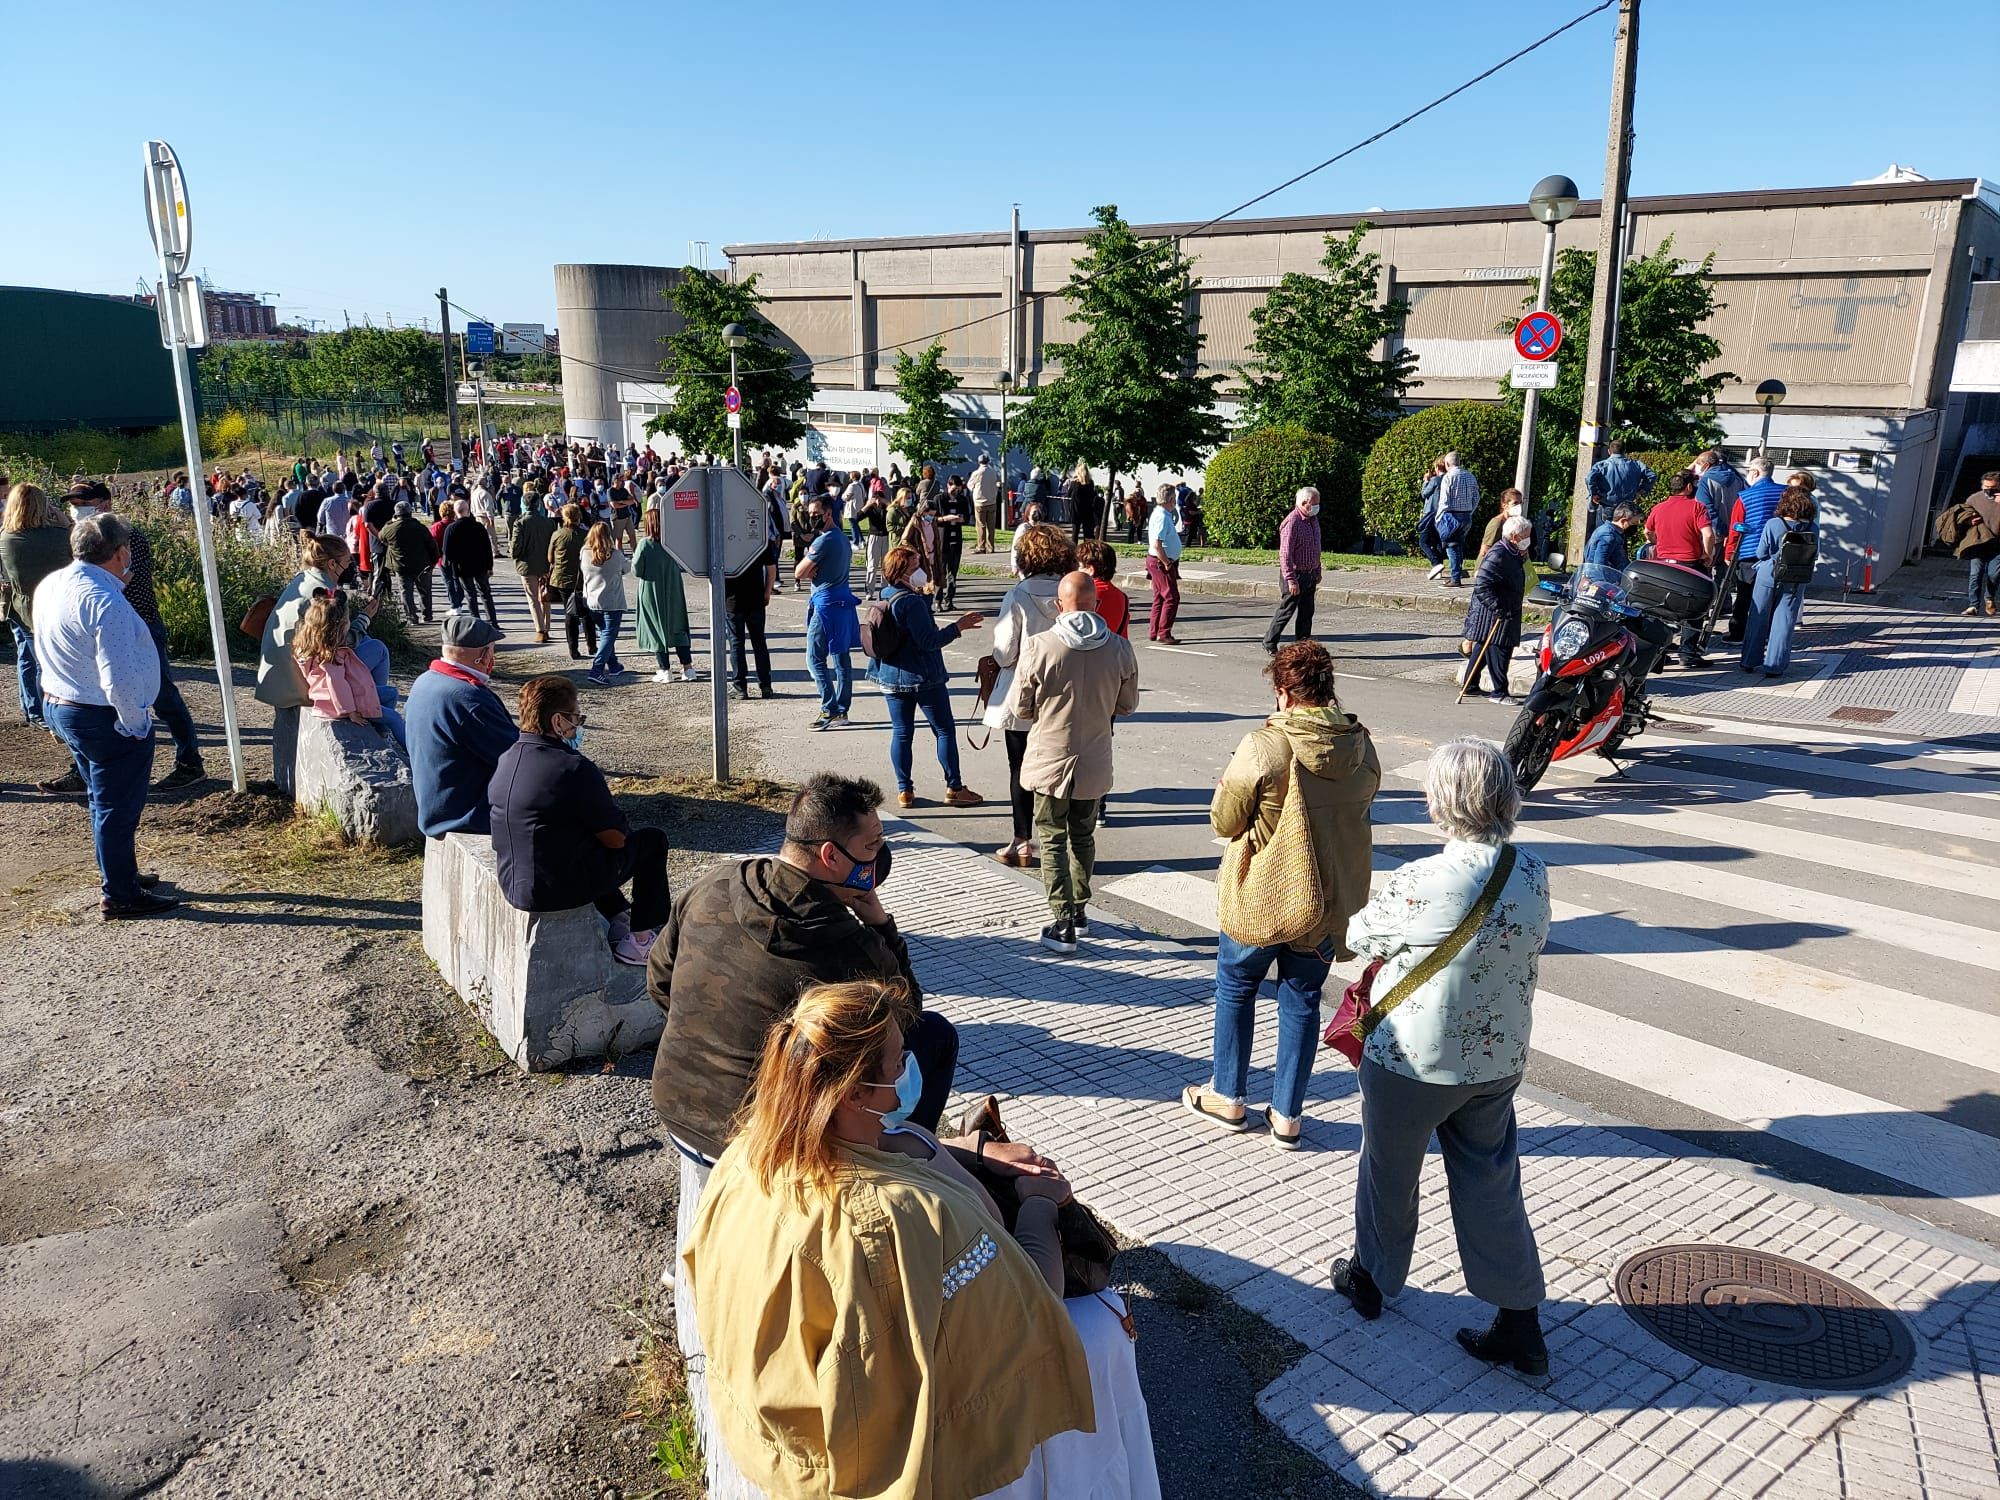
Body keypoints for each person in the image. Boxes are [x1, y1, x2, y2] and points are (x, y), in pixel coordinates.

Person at [680, 976, 1157, 1500]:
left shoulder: (749, 1153)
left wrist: (968, 1149)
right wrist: (1042, 1204)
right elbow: (1032, 1299)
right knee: (1102, 1328)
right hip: (866, 1463)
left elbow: (889, 1142)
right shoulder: (899, 1219)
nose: (910, 1066)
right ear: (854, 1092)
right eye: (897, 1058)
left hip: (773, 1438)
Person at [1330, 738, 1554, 1377]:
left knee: (1389, 1172)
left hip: (1413, 1060)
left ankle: (1373, 1279)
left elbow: (1359, 935)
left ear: (1441, 801)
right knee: (1491, 1181)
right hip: (1497, 1057)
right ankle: (1521, 1322)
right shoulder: (1531, 870)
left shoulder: (1420, 879)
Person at [646, 772, 961, 1160]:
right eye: (873, 845)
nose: (879, 857)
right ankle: (896, 1162)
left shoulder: (716, 881)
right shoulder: (850, 946)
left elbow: (659, 981)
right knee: (935, 1037)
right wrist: (881, 925)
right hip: (764, 1141)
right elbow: (906, 1014)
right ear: (831, 856)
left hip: (676, 1108)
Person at [1184, 642, 1380, 1147]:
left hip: (1264, 897)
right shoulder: (1361, 745)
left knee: (1237, 985)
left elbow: (1225, 821)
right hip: (1327, 900)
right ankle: (1288, 1116)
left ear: (1282, 691)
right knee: (1303, 998)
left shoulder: (1265, 746)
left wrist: (1229, 783)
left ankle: (1228, 1095)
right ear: (1328, 688)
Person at [31, 514, 176, 919]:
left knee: (102, 800)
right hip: (100, 712)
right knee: (117, 807)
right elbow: (120, 676)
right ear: (121, 552)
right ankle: (120, 893)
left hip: (64, 702)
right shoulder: (104, 600)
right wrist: (136, 725)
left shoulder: (53, 583)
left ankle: (120, 874)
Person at [489, 675, 670, 967]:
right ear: (558, 722)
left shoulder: (508, 757)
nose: (578, 725)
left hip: (513, 880)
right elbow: (616, 838)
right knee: (650, 842)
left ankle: (617, 914)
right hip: (555, 889)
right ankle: (640, 940)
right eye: (576, 717)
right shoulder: (572, 767)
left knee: (581, 846)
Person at [1007, 570, 1141, 954]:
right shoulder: (1119, 648)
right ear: (1097, 606)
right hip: (1095, 758)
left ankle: (1062, 920)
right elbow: (1127, 705)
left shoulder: (1039, 646)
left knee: (1051, 837)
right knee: (1083, 835)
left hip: (1050, 757)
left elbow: (1021, 707)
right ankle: (1080, 909)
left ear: (1058, 605)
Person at [63, 484, 205, 791]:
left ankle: (190, 761)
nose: (79, 509)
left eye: (85, 502)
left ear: (105, 503)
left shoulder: (129, 539)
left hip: (141, 625)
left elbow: (123, 577)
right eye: (75, 503)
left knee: (163, 695)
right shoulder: (83, 539)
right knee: (95, 696)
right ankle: (82, 767)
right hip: (102, 627)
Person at [256, 533, 382, 797]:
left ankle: (374, 699)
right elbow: (337, 644)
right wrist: (364, 619)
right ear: (332, 564)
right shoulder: (324, 592)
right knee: (377, 650)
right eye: (347, 562)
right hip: (303, 679)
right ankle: (374, 707)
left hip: (278, 673)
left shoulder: (302, 579)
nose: (350, 567)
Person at [985, 525, 1075, 869]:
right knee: (1057, 767)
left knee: (1019, 767)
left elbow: (1005, 652)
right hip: (1062, 692)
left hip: (1022, 692)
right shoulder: (1070, 591)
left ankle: (1022, 840)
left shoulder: (1018, 595)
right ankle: (1056, 837)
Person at [867, 545, 984, 810]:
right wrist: (958, 627)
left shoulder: (886, 595)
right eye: (916, 564)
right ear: (904, 570)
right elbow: (929, 641)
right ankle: (954, 787)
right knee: (944, 730)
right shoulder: (911, 602)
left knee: (902, 732)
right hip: (923, 676)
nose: (921, 569)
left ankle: (904, 791)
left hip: (890, 676)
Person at [405, 616, 512, 838]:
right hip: (467, 813)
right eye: (492, 649)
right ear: (483, 655)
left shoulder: (425, 681)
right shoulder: (467, 697)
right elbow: (516, 756)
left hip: (437, 805)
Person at [1, 482, 74, 738]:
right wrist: (66, 522)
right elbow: (79, 555)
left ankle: (32, 709)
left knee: (26, 656)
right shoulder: (59, 535)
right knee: (49, 662)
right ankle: (50, 711)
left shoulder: (6, 538)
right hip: (54, 606)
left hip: (20, 606)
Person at [293, 591, 403, 749]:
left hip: (333, 699)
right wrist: (350, 711)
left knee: (391, 693)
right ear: (342, 626)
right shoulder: (332, 658)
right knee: (394, 718)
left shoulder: (313, 646)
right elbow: (337, 684)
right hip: (341, 705)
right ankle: (413, 753)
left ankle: (381, 733)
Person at [1740, 479, 1821, 677]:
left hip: (1769, 573)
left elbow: (1761, 552)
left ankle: (1750, 660)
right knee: (1784, 621)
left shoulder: (1775, 523)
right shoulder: (1813, 527)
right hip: (1796, 576)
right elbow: (1815, 554)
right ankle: (1775, 665)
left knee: (1758, 617)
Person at [797, 494, 859, 731]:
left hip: (827, 606)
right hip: (843, 603)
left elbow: (800, 572)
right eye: (809, 514)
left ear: (828, 514)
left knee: (814, 659)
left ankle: (830, 708)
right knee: (842, 659)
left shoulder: (824, 541)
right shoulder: (842, 539)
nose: (812, 518)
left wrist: (809, 566)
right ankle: (842, 710)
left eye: (816, 515)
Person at [1644, 470, 1718, 668]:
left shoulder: (1659, 508)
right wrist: (1707, 554)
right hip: (1690, 565)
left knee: (1662, 610)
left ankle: (1659, 654)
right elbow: (1708, 534)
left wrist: (1656, 543)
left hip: (1664, 565)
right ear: (1688, 487)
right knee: (1694, 611)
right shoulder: (1697, 508)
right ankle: (1688, 653)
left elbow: (1648, 531)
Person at [1461, 517, 1531, 702]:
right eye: (1526, 536)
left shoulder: (1514, 553)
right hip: (1497, 612)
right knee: (1500, 648)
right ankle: (1499, 692)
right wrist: (1497, 607)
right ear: (1515, 536)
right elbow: (1482, 585)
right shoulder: (1499, 554)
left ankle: (1470, 685)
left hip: (1503, 609)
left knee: (1483, 648)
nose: (1528, 539)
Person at [631, 507, 703, 685]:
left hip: (652, 589)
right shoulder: (673, 542)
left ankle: (665, 669)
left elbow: (636, 570)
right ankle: (688, 668)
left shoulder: (645, 544)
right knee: (678, 626)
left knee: (656, 628)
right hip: (673, 589)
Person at [1720, 456, 1784, 642]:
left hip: (1749, 551)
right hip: (1777, 553)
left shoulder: (1745, 497)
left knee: (1744, 595)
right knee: (1772, 596)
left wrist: (1730, 552)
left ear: (1755, 472)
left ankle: (1737, 632)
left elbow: (1736, 527)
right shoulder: (1785, 493)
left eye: (1749, 471)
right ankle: (1768, 633)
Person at [1263, 485, 1323, 654]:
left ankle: (1303, 646)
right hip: (1295, 575)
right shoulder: (1292, 522)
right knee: (1287, 610)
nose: (1317, 507)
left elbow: (1315, 547)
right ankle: (1269, 641)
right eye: (1315, 504)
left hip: (1309, 573)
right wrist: (1291, 579)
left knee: (1307, 612)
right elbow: (1285, 554)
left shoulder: (1313, 520)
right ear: (1305, 503)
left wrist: (1317, 570)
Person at [726, 523, 776, 701]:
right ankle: (766, 685)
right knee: (759, 642)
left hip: (733, 600)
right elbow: (771, 568)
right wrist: (767, 592)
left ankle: (740, 686)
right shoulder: (759, 540)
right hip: (756, 598)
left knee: (736, 643)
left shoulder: (725, 540)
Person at [580, 521, 630, 685]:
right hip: (612, 601)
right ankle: (597, 668)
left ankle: (614, 664)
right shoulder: (614, 555)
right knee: (609, 634)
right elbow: (626, 569)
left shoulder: (585, 553)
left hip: (592, 600)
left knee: (604, 634)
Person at [549, 503, 598, 659]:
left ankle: (573, 648)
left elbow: (550, 557)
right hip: (583, 578)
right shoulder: (586, 535)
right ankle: (592, 645)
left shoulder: (557, 535)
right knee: (587, 613)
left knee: (570, 613)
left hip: (562, 579)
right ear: (579, 517)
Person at [510, 493, 559, 643]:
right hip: (545, 564)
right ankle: (547, 627)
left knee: (533, 599)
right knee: (545, 596)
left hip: (526, 565)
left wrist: (516, 554)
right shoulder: (549, 523)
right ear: (538, 504)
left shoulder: (520, 523)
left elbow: (515, 548)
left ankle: (540, 630)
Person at [381, 500, 440, 624]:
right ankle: (427, 615)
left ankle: (411, 617)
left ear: (396, 514)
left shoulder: (390, 529)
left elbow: (381, 536)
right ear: (410, 512)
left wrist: (390, 521)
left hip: (401, 566)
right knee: (424, 591)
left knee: (406, 592)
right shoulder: (420, 528)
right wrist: (434, 561)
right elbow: (432, 545)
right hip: (422, 564)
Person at [443, 496, 499, 624]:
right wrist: (490, 566)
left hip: (462, 567)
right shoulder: (478, 527)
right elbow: (487, 548)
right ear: (468, 510)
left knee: (470, 594)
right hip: (480, 565)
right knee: (485, 593)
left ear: (455, 512)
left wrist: (450, 567)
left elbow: (447, 551)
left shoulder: (451, 529)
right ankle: (493, 621)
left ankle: (476, 621)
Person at [1954, 471, 2000, 617]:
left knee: (1994, 574)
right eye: (1986, 487)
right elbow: (1963, 515)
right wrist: (1969, 521)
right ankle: (1973, 605)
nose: (1989, 490)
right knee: (1976, 573)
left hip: (1998, 544)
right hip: (1979, 542)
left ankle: (1989, 597)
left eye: (1993, 487)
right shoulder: (1974, 499)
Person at [1585, 440, 1655, 537]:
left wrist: (1594, 493)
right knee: (1623, 540)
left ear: (1609, 451)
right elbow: (1651, 475)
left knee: (1605, 537)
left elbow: (1589, 479)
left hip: (1607, 506)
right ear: (1624, 451)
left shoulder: (1601, 466)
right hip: (1628, 509)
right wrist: (1642, 491)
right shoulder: (1636, 465)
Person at [1145, 482, 1184, 643]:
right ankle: (1164, 633)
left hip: (1159, 560)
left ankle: (1154, 631)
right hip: (1161, 561)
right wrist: (1167, 562)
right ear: (1172, 499)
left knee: (1160, 597)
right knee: (1171, 597)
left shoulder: (1161, 513)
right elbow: (1157, 544)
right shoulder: (1161, 516)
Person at [1437, 451, 1481, 587]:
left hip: (1451, 515)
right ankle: (1457, 573)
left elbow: (1444, 500)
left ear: (1447, 463)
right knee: (1459, 545)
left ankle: (1455, 578)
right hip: (1466, 515)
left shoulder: (1448, 477)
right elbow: (1476, 498)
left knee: (1451, 546)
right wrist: (1470, 511)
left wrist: (1439, 516)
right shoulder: (1470, 476)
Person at [1076, 539, 1130, 638]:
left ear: (1090, 570)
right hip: (1112, 650)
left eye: (1079, 567)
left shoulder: (1086, 594)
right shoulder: (1122, 597)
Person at [935, 472, 969, 608]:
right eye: (954, 490)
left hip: (956, 540)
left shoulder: (962, 500)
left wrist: (962, 519)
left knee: (953, 572)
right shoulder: (939, 499)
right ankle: (937, 600)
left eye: (958, 490)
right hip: (943, 540)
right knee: (941, 571)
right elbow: (933, 519)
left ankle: (949, 599)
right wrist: (945, 518)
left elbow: (967, 516)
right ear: (948, 486)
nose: (956, 493)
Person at [1582, 501, 1642, 573]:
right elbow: (1599, 566)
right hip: (1607, 581)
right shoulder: (1608, 536)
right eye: (1634, 523)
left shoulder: (1606, 530)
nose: (1636, 526)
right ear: (1623, 521)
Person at [1415, 457, 1449, 578]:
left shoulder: (1434, 480)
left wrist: (1426, 480)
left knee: (1423, 542)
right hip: (1442, 515)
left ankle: (1436, 564)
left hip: (1430, 515)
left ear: (1437, 467)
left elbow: (1424, 494)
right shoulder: (1448, 479)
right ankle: (1439, 568)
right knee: (1437, 541)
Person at [1476, 487, 1529, 559]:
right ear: (1504, 505)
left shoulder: (1515, 523)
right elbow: (1485, 551)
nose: (1519, 506)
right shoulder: (1496, 523)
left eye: (1520, 503)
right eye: (1515, 503)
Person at [969, 453, 1001, 553]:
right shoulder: (993, 472)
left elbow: (970, 485)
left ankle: (981, 546)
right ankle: (991, 547)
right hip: (992, 501)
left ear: (979, 462)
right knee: (991, 525)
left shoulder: (976, 473)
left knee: (981, 525)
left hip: (980, 502)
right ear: (988, 461)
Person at [1063, 462, 1100, 543]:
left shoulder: (1074, 483)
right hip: (1088, 510)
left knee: (1075, 533)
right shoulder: (1090, 483)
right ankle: (1088, 550)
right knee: (1088, 533)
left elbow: (1069, 494)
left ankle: (1074, 550)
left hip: (1076, 511)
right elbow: (1093, 495)